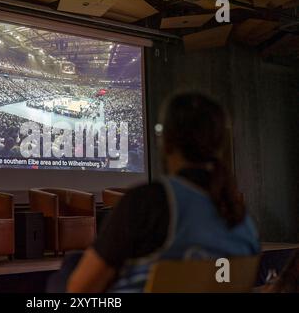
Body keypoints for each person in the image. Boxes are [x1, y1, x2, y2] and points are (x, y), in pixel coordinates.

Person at [63, 92, 260, 293]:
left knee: (69, 268)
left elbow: (79, 289)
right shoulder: (243, 221)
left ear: (166, 142)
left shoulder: (149, 202)